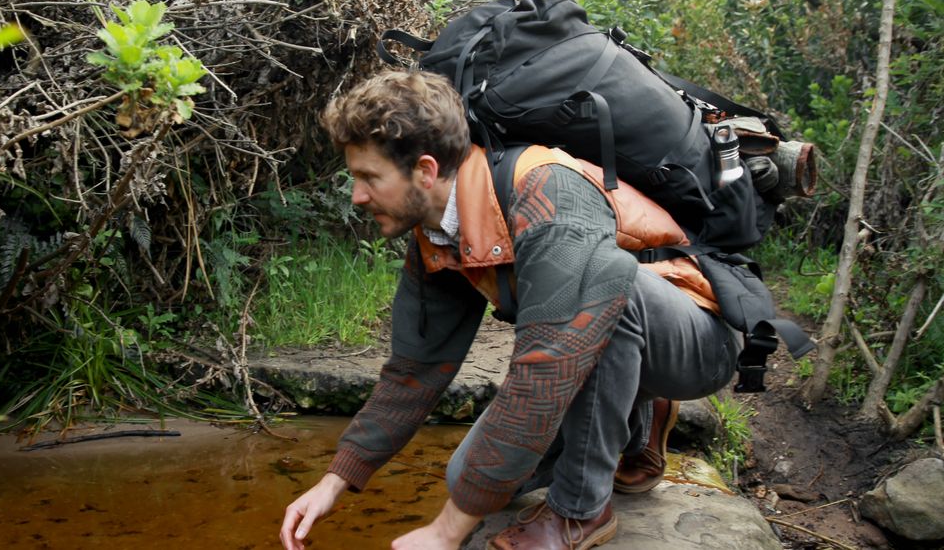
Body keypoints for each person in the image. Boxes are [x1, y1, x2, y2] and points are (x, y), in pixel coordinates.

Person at [279, 70, 740, 550]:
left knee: (603, 292)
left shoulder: (547, 194)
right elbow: (414, 369)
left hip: (699, 339)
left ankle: (579, 512)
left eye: (368, 178)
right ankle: (635, 416)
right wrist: (336, 479)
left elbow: (545, 370)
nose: (357, 196)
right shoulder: (436, 230)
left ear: (426, 171)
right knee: (467, 478)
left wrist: (446, 532)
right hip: (601, 340)